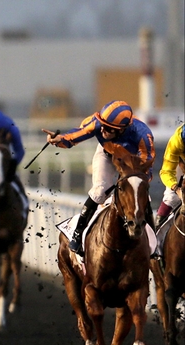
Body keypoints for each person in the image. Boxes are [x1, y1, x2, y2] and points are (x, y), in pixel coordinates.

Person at [44, 100, 155, 256]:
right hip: (106, 154)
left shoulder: (143, 135)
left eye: (109, 128)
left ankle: (154, 244)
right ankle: (78, 233)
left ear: (122, 130)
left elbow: (146, 165)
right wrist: (59, 140)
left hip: (132, 163)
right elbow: (75, 136)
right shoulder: (98, 123)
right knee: (100, 191)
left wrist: (135, 182)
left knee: (141, 195)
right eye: (102, 125)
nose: (103, 129)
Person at [154, 123, 185, 228]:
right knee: (171, 197)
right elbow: (166, 172)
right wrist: (176, 189)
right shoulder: (176, 141)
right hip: (181, 163)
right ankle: (157, 231)